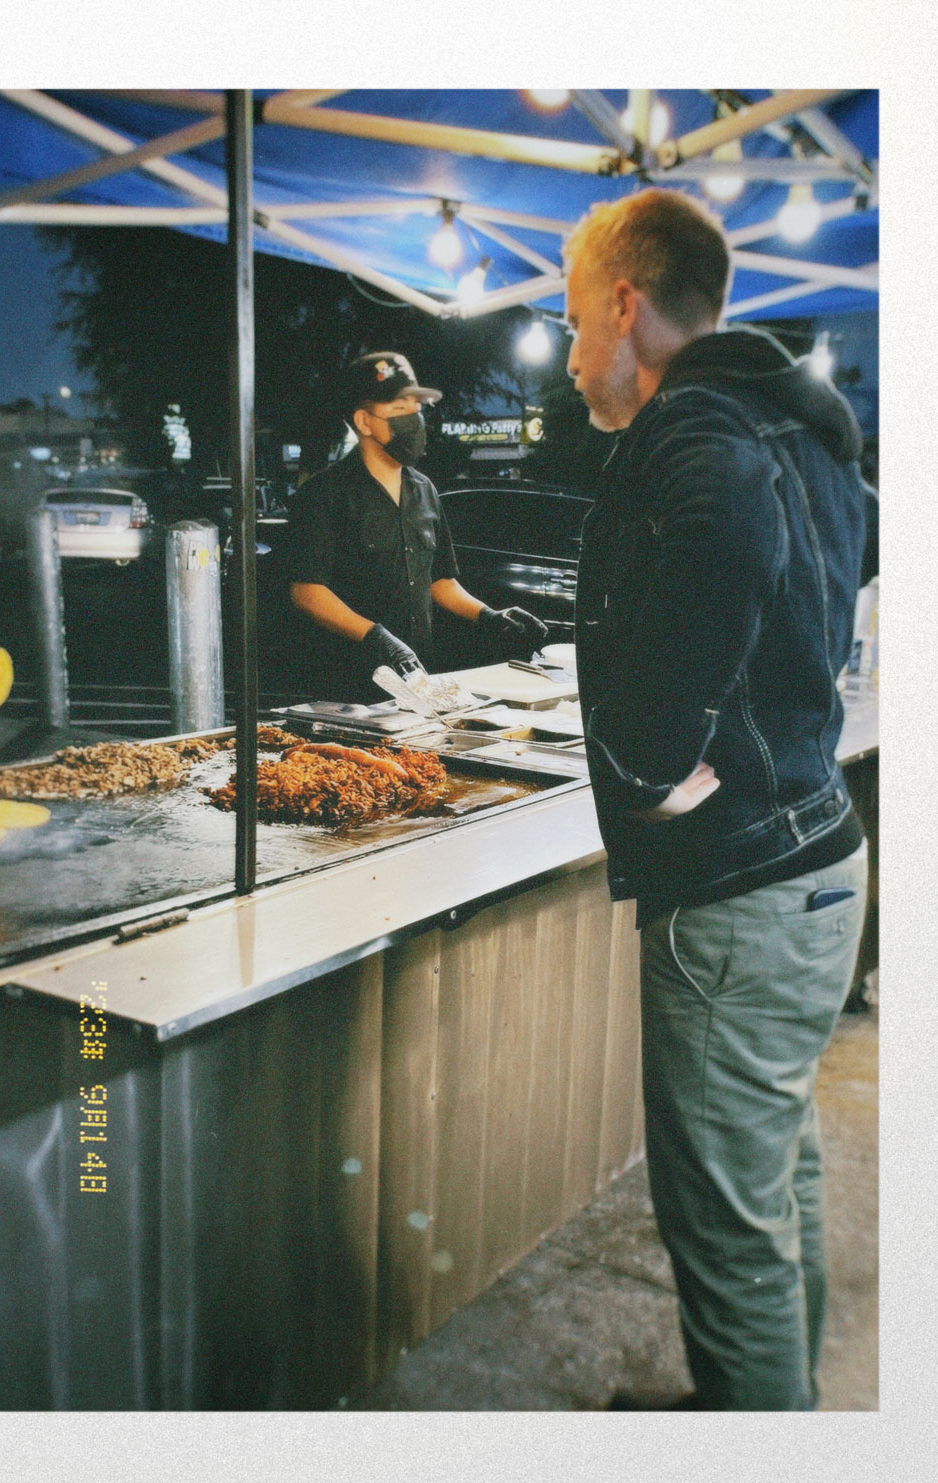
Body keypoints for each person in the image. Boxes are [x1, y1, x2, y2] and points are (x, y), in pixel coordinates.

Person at [563, 188, 870, 1410]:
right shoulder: (798, 422)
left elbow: (729, 541)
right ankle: (768, 1415)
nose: (577, 347)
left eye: (578, 317)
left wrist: (646, 765)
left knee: (726, 1230)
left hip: (742, 889)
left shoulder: (700, 431)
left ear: (628, 307)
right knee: (773, 1176)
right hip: (815, 857)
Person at [286, 351, 547, 704]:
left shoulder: (424, 490)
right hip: (346, 687)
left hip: (420, 681)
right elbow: (307, 591)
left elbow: (439, 581)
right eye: (399, 409)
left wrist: (489, 616)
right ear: (364, 421)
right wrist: (375, 636)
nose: (414, 420)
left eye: (417, 408)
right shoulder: (324, 494)